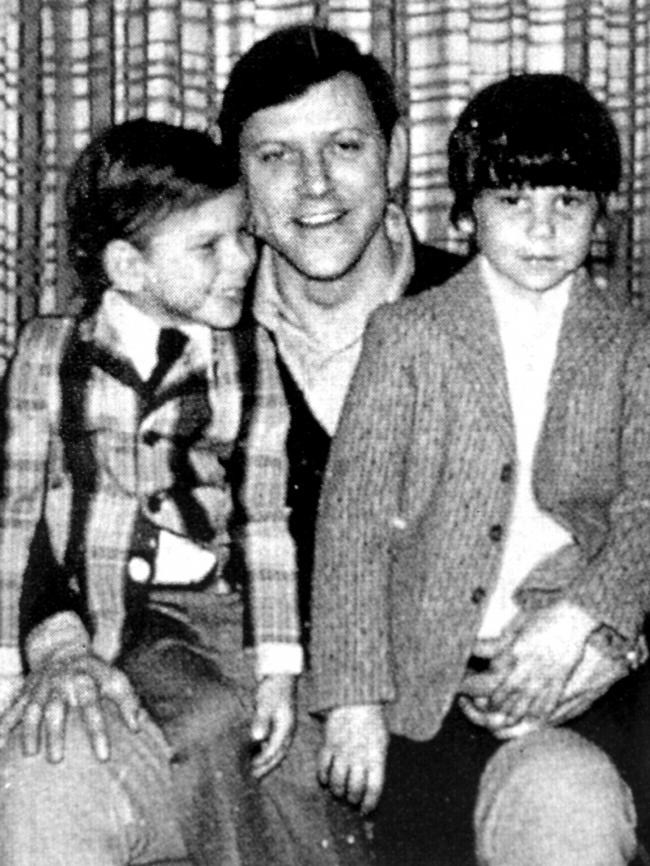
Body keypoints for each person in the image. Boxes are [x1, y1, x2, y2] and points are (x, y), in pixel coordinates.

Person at [310, 72, 650, 866]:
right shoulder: (407, 336)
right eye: (512, 202)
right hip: (437, 685)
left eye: (567, 202)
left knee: (580, 820)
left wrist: (581, 620)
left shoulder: (632, 342)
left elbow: (645, 506)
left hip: (579, 669)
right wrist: (354, 700)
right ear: (466, 212)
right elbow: (353, 523)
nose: (541, 229)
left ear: (602, 215)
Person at [0, 118, 351, 866]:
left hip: (219, 612)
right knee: (209, 718)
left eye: (244, 237)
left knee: (285, 754)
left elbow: (264, 520)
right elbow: (15, 512)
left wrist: (279, 664)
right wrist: (7, 667)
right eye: (209, 247)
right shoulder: (47, 352)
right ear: (127, 266)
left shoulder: (250, 359)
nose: (242, 262)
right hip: (113, 616)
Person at [218, 23, 465, 648]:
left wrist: (606, 631)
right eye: (276, 156)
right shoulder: (193, 326)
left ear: (397, 154)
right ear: (237, 179)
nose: (316, 183)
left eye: (345, 147)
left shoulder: (492, 309)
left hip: (450, 691)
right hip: (251, 695)